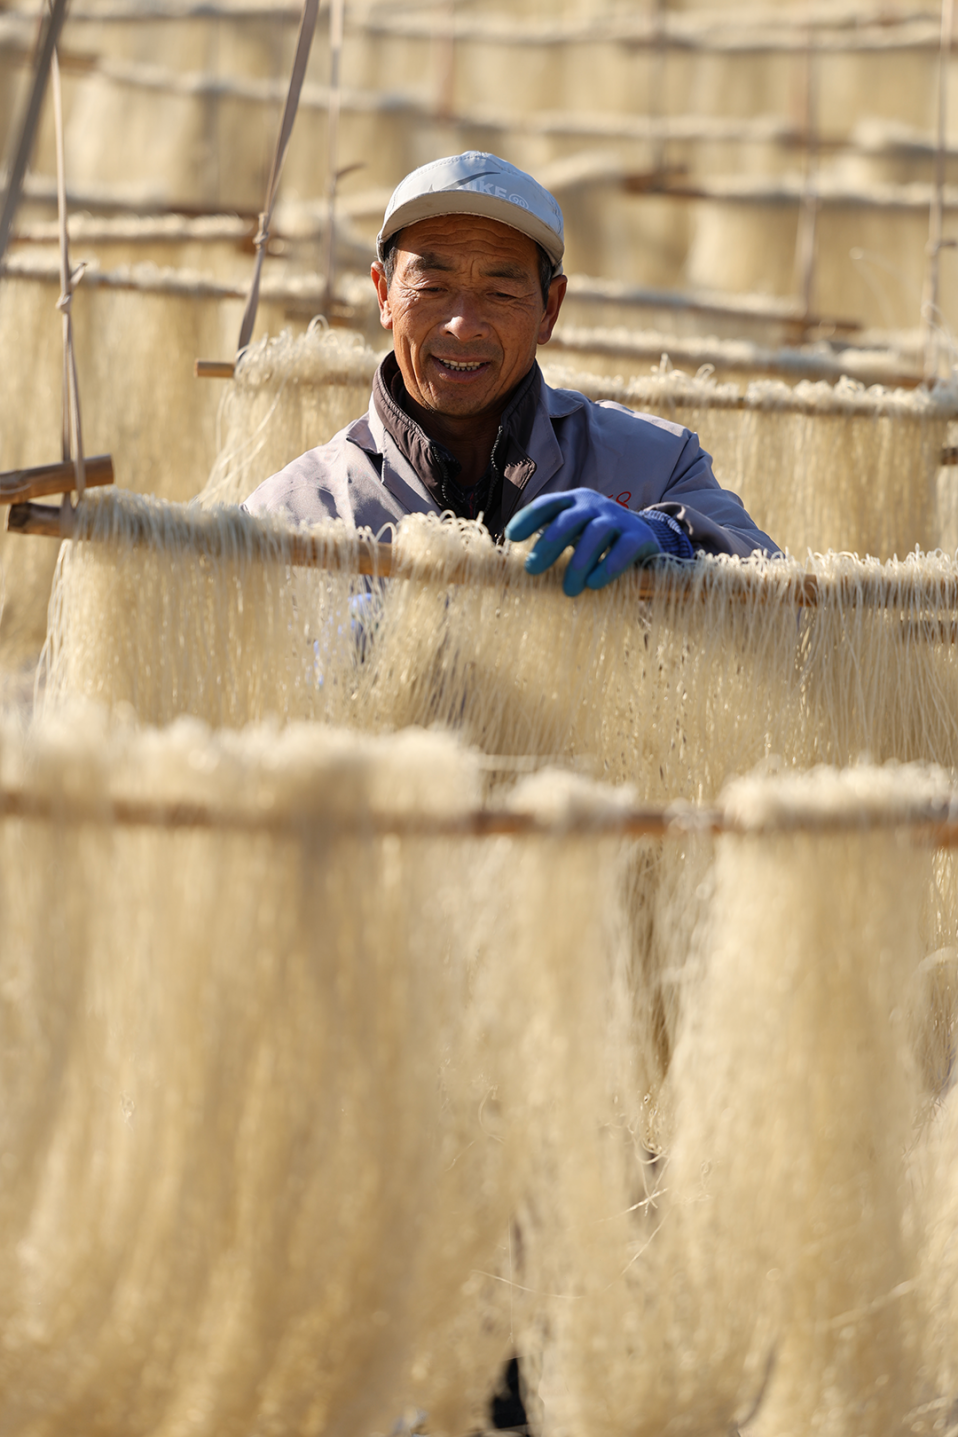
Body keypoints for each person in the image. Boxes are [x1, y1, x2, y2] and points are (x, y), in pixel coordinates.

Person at [245, 150, 778, 593]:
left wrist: (669, 539)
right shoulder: (294, 512)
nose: (462, 324)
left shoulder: (657, 464)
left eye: (500, 292)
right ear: (384, 296)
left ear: (550, 309)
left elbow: (782, 590)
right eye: (431, 287)